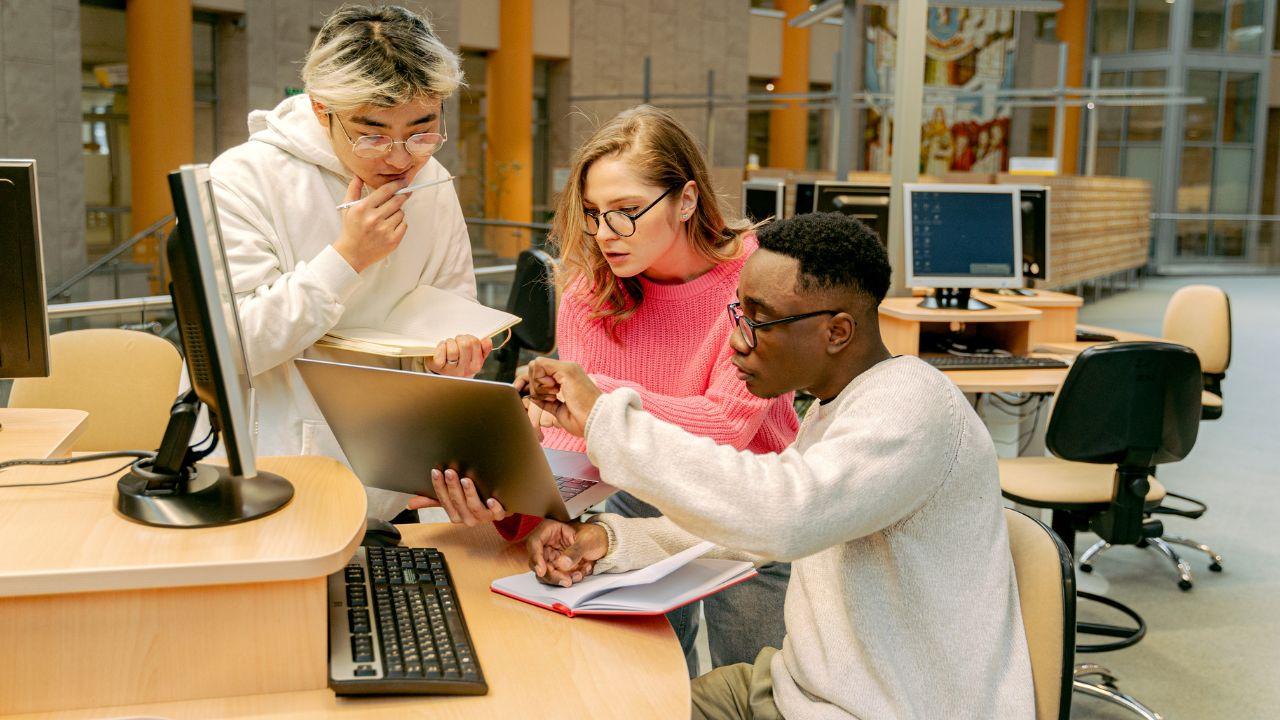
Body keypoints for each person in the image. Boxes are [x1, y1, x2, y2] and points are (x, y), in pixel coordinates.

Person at [522, 213, 1034, 719]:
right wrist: (609, 542)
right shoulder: (838, 406)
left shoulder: (911, 407)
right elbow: (742, 534)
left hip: (877, 709)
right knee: (604, 703)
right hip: (794, 688)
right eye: (737, 314)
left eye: (759, 321)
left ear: (836, 332)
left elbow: (785, 517)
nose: (737, 342)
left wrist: (607, 420)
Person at [416, 105, 800, 676]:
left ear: (687, 200)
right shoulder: (591, 294)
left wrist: (593, 400)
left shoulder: (756, 279)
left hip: (746, 499)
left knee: (758, 684)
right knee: (648, 682)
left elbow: (726, 427)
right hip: (633, 489)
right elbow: (580, 444)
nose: (603, 235)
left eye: (624, 213)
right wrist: (540, 512)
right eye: (593, 214)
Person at [208, 5, 492, 519]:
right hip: (275, 474)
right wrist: (347, 258)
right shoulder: (244, 178)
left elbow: (455, 309)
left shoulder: (432, 182)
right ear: (321, 109)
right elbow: (232, 345)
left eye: (423, 131)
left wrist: (455, 356)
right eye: (373, 133)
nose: (401, 157)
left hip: (394, 474)